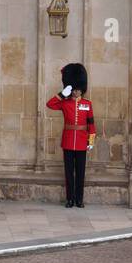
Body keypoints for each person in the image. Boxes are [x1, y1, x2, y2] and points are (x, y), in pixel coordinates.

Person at [45, 65, 95, 208]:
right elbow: (50, 104)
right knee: (68, 173)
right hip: (68, 141)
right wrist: (61, 94)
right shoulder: (65, 103)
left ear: (82, 89)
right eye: (73, 89)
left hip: (81, 142)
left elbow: (91, 123)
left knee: (80, 173)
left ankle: (79, 199)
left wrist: (90, 139)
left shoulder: (87, 104)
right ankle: (70, 199)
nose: (76, 91)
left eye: (78, 89)